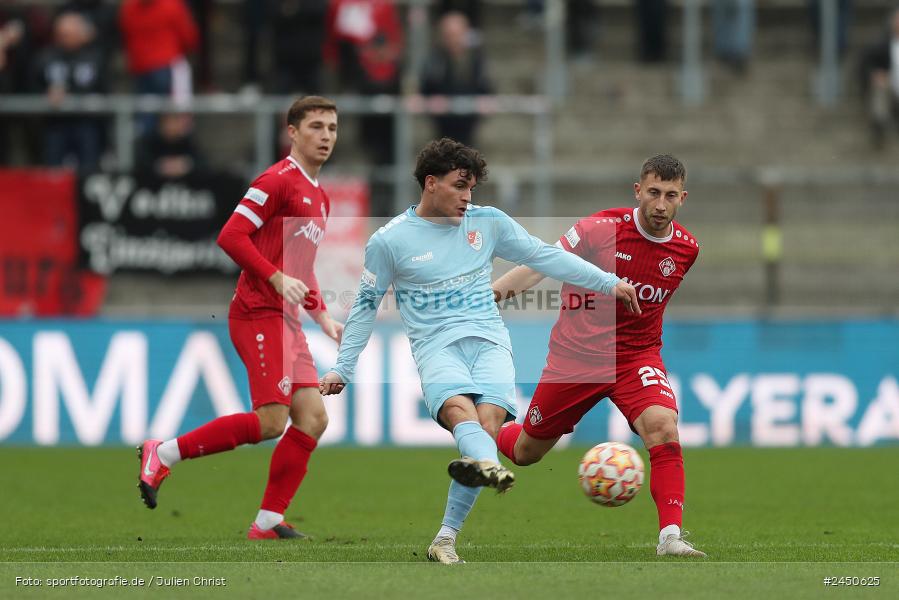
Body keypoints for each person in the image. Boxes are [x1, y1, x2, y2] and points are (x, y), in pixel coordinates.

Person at [319, 138, 640, 564]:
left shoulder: (487, 223)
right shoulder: (390, 240)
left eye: (472, 188)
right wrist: (343, 367)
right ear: (430, 183)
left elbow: (545, 256)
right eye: (459, 186)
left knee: (486, 428)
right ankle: (487, 468)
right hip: (436, 348)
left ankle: (445, 538)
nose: (468, 197)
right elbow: (364, 305)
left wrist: (607, 281)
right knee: (458, 413)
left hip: (489, 342)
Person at [137, 96, 345, 540]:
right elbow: (230, 235)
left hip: (288, 320)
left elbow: (302, 267)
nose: (326, 136)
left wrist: (323, 317)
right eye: (316, 127)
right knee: (272, 420)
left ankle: (268, 520)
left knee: (312, 418)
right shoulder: (276, 180)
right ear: (292, 132)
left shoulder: (321, 197)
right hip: (257, 312)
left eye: (331, 127)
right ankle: (164, 452)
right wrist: (272, 278)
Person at [491, 154, 706, 558]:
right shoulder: (597, 228)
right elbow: (538, 265)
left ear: (683, 198)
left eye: (671, 195)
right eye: (654, 192)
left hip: (636, 358)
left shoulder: (686, 249)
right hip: (575, 359)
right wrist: (491, 297)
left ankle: (671, 537)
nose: (661, 204)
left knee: (663, 427)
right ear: (637, 190)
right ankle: (479, 426)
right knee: (525, 453)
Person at [30, 11, 108, 171]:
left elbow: (105, 90)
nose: (65, 38)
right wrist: (46, 94)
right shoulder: (45, 57)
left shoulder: (95, 57)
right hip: (55, 123)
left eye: (70, 34)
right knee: (53, 171)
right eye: (62, 34)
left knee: (88, 171)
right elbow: (30, 86)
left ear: (82, 34)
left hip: (87, 123)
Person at [420, 11, 492, 146]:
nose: (453, 39)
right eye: (448, 35)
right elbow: (425, 89)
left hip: (468, 122)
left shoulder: (476, 59)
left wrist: (484, 100)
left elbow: (486, 87)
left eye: (456, 34)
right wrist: (430, 100)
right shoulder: (434, 59)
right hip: (443, 124)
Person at [859, 7, 899, 149]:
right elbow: (866, 63)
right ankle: (879, 123)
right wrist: (875, 74)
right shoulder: (881, 45)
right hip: (891, 88)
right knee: (880, 87)